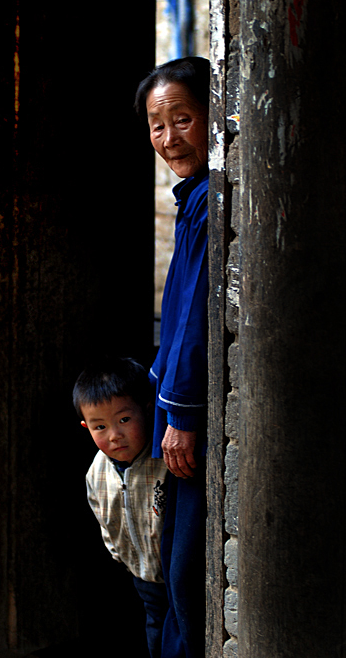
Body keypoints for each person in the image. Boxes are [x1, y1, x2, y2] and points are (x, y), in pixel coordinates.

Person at [134, 57, 210, 658]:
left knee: (185, 574)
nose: (169, 138)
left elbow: (192, 320)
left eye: (182, 119)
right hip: (173, 414)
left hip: (191, 420)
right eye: (157, 126)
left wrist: (180, 412)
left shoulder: (212, 202)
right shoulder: (194, 200)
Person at [73, 356, 170, 658]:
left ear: (147, 409)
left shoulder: (166, 462)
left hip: (178, 576)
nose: (114, 435)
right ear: (86, 427)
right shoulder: (96, 472)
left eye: (124, 420)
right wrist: (121, 556)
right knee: (155, 634)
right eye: (99, 426)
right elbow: (104, 518)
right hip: (143, 577)